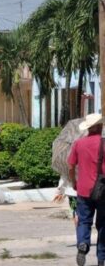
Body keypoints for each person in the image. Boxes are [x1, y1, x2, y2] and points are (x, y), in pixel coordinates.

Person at [67, 113, 104, 266]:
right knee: (103, 224)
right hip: (103, 190)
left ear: (88, 128)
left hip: (83, 190)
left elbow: (70, 166)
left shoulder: (78, 144)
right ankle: (101, 258)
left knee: (84, 221)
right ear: (100, 127)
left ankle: (83, 243)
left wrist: (73, 182)